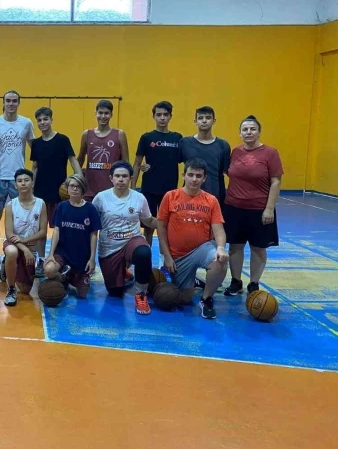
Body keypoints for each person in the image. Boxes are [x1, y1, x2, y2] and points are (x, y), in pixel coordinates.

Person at [156, 158, 229, 319]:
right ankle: (194, 280)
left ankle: (206, 299)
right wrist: (166, 256)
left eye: (198, 176)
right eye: (190, 175)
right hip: (178, 256)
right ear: (184, 175)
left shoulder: (211, 200)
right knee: (184, 299)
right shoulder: (170, 196)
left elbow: (219, 230)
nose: (194, 179)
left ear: (204, 178)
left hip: (202, 248)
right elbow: (161, 228)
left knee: (220, 261)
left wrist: (221, 248)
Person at [223, 116, 283, 296]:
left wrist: (269, 209)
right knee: (235, 246)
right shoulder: (235, 151)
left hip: (259, 209)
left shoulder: (270, 153)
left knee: (258, 248)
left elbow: (276, 182)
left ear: (259, 132)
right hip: (234, 207)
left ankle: (254, 284)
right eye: (245, 129)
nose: (248, 132)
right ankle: (236, 282)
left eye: (252, 129)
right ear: (240, 133)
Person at [92, 162, 158, 315]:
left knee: (143, 252)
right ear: (111, 178)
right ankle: (124, 272)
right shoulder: (101, 198)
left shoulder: (139, 198)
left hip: (132, 240)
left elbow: (148, 221)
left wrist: (167, 222)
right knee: (115, 292)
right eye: (117, 176)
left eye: (124, 176)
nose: (121, 179)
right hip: (109, 246)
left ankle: (141, 294)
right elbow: (92, 224)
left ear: (131, 178)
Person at [0, 90, 35, 274]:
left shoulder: (26, 123)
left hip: (19, 178)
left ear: (19, 103)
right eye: (8, 101)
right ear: (3, 102)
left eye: (14, 101)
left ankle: (18, 253)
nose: (11, 104)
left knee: (20, 219)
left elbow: (35, 149)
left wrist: (34, 173)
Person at [31, 106, 82, 264]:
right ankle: (41, 259)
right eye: (39, 120)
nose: (42, 122)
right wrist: (31, 188)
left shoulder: (62, 140)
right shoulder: (36, 143)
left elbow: (73, 160)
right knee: (41, 229)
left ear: (51, 120)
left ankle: (62, 258)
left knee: (61, 227)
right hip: (40, 191)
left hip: (60, 191)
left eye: (45, 119)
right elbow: (34, 167)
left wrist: (79, 177)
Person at [132, 101, 182, 247]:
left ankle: (166, 257)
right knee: (148, 226)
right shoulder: (146, 138)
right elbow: (137, 163)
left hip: (170, 190)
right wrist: (133, 188)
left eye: (165, 114)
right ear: (153, 116)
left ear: (170, 116)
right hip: (150, 187)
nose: (162, 118)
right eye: (159, 115)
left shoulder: (177, 138)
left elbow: (185, 160)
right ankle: (146, 256)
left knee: (169, 225)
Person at [44, 174, 101, 300]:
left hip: (81, 255)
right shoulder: (62, 206)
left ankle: (73, 276)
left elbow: (93, 235)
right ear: (67, 188)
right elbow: (57, 230)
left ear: (83, 189)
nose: (75, 189)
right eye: (72, 186)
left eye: (78, 186)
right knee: (49, 270)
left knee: (82, 295)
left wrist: (92, 258)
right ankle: (63, 277)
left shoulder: (90, 209)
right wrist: (51, 254)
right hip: (63, 253)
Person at [2, 168, 48, 307]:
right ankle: (11, 289)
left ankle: (8, 265)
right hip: (14, 244)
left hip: (30, 245)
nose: (23, 183)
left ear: (32, 183)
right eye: (19, 181)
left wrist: (25, 241)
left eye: (26, 180)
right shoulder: (11, 205)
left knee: (26, 290)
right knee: (12, 252)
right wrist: (24, 248)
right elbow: (9, 234)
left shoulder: (41, 203)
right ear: (15, 185)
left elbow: (43, 232)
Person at [78, 99, 129, 202]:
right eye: (100, 113)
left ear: (111, 115)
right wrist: (76, 179)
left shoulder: (119, 134)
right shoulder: (87, 134)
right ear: (95, 113)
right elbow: (80, 160)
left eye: (106, 113)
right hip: (90, 190)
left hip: (113, 190)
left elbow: (125, 163)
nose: (103, 116)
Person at [178, 106, 231, 206]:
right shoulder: (184, 143)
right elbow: (170, 164)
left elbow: (225, 172)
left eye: (208, 118)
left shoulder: (223, 145)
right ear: (195, 121)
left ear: (214, 121)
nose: (204, 121)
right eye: (200, 118)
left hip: (214, 196)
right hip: (188, 196)